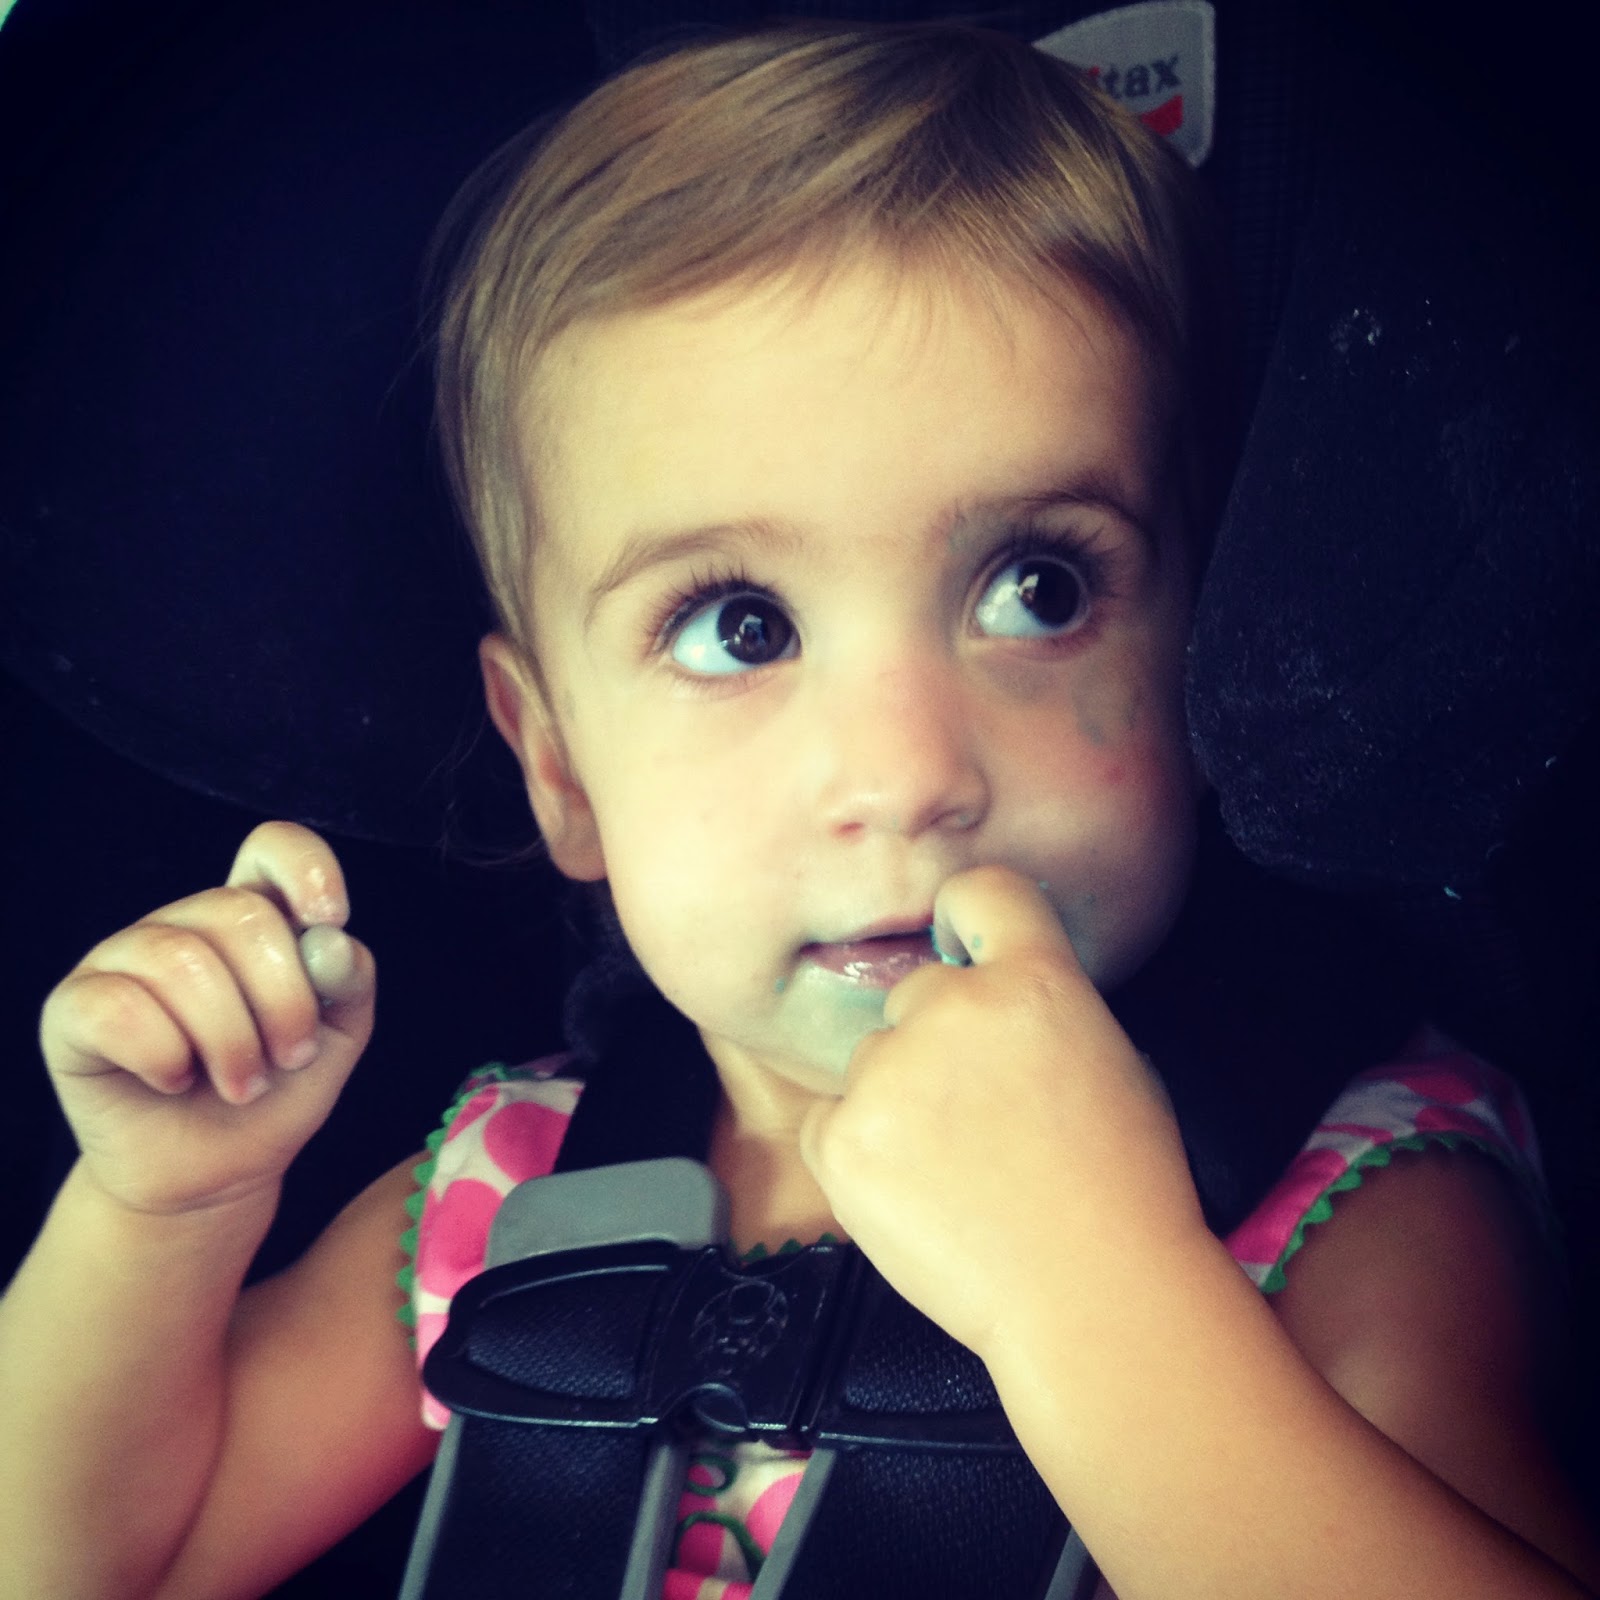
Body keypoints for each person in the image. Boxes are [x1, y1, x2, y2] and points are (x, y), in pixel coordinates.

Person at [1, 20, 1596, 1599]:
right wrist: (163, 1213)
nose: (905, 776)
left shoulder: (1355, 1194)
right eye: (741, 628)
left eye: (1038, 590)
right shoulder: (515, 1190)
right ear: (560, 769)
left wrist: (1101, 1295)